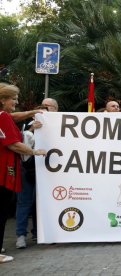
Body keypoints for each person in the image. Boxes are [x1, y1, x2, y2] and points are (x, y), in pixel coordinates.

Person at [0, 83, 47, 263]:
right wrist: (35, 151)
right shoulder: (3, 116)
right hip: (4, 171)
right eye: (14, 98)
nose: (16, 101)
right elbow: (13, 144)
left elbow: (14, 116)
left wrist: (31, 112)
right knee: (2, 211)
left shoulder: (3, 115)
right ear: (3, 99)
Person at [15, 105, 48, 249]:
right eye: (40, 114)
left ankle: (38, 233)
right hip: (28, 169)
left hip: (46, 170)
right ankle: (20, 235)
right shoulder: (25, 127)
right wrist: (31, 130)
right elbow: (20, 147)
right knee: (24, 202)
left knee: (41, 202)